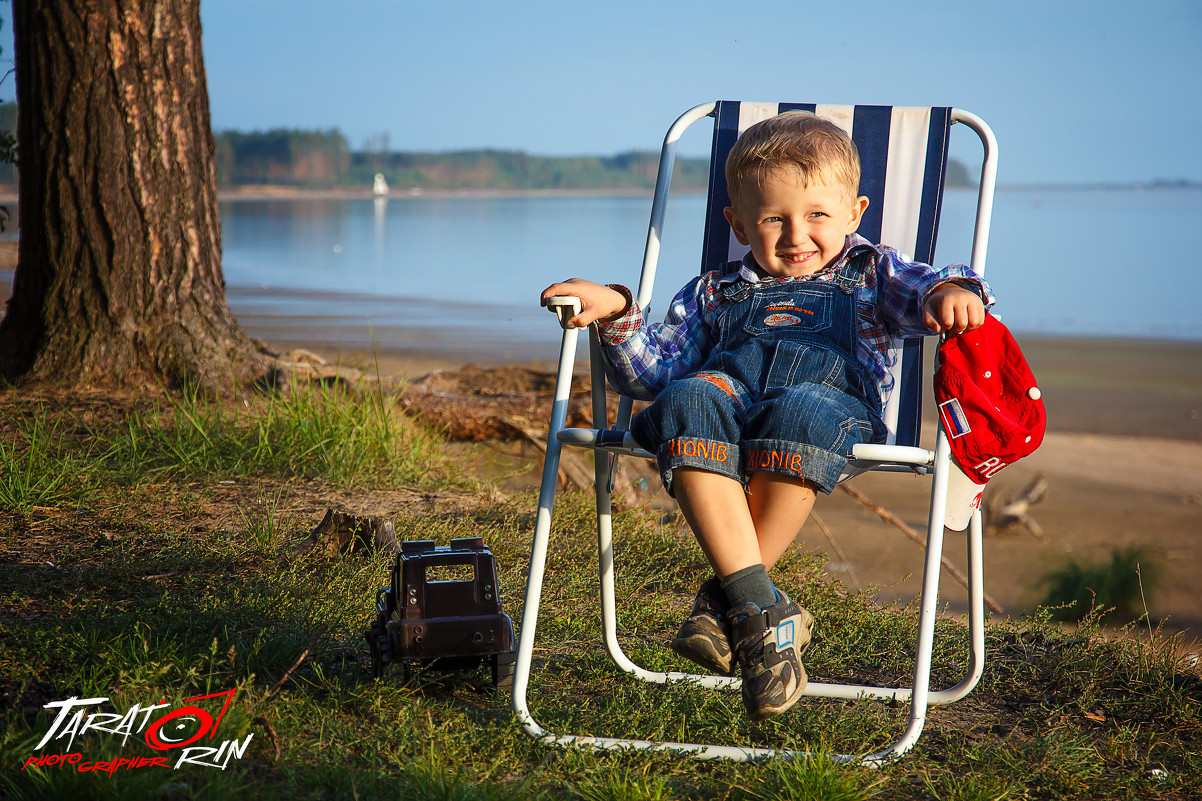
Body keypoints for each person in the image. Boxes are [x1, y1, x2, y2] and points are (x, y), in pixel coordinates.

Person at [539, 111, 992, 721]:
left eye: (817, 216)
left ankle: (728, 601)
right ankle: (762, 616)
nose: (796, 235)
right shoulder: (714, 291)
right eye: (773, 219)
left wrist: (952, 292)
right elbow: (649, 376)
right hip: (726, 412)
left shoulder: (873, 272)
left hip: (829, 413)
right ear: (737, 222)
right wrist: (617, 309)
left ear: (855, 213)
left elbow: (930, 286)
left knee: (799, 408)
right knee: (686, 399)